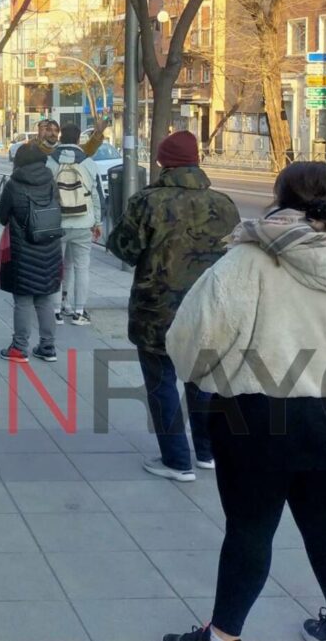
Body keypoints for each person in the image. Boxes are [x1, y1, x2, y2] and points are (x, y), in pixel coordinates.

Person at [161, 162, 326, 641]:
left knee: (250, 528)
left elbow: (193, 334)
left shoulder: (248, 261)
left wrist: (205, 376)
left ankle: (224, 635)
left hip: (258, 412)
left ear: (279, 197)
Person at [107, 130, 240, 482]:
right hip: (211, 309)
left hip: (158, 310)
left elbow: (124, 249)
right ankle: (208, 452)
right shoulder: (224, 204)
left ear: (164, 162)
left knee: (161, 381)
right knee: (202, 379)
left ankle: (176, 460)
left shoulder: (147, 202)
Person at [0, 143, 63, 363]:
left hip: (23, 249)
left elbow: (2, 216)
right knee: (45, 298)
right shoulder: (51, 182)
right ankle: (48, 346)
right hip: (50, 246)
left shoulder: (14, 185)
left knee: (23, 299)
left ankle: (19, 347)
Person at [49, 123, 101, 325]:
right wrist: (97, 221)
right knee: (81, 267)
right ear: (79, 139)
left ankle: (56, 311)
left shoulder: (50, 161)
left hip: (57, 223)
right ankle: (79, 312)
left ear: (61, 137)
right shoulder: (88, 162)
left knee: (57, 266)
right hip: (83, 222)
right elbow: (96, 195)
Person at [30, 116, 105, 158]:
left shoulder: (70, 150)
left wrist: (98, 133)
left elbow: (89, 148)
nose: (53, 133)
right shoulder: (36, 149)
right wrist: (40, 138)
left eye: (56, 130)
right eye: (49, 130)